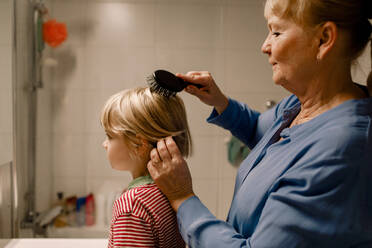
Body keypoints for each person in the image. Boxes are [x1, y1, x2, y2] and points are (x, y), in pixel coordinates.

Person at [147, 0, 372, 247]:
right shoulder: (296, 106)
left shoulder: (341, 149)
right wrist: (220, 101)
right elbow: (259, 131)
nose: (264, 46)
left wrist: (182, 197)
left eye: (275, 32)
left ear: (324, 38)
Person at [101, 87, 190, 247]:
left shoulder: (133, 205)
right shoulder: (170, 190)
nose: (104, 144)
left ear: (139, 145)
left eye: (109, 136)